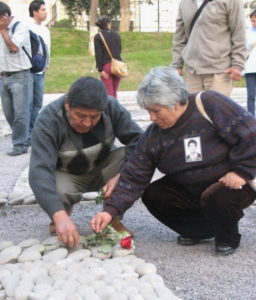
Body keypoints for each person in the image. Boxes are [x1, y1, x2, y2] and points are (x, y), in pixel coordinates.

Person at [91, 66, 256, 256]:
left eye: (156, 111)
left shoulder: (209, 103)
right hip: (191, 187)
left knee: (217, 197)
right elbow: (134, 176)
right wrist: (110, 212)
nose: (151, 118)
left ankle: (228, 236)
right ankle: (201, 231)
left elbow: (250, 134)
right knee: (154, 194)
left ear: (176, 103)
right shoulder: (153, 136)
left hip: (232, 182)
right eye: (148, 111)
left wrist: (242, 172)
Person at [29, 76, 143, 248]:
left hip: (103, 167)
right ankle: (61, 216)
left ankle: (112, 218)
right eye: (80, 115)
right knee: (52, 186)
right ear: (68, 104)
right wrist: (57, 214)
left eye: (94, 117)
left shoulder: (111, 107)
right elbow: (39, 171)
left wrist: (122, 175)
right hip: (67, 173)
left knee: (130, 162)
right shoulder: (48, 120)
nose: (87, 123)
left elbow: (141, 143)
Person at [172, 0, 247, 97]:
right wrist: (176, 66)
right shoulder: (185, 3)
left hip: (220, 72)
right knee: (194, 111)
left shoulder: (231, 1)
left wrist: (238, 65)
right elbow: (179, 37)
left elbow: (239, 34)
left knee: (215, 111)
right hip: (192, 72)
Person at [0, 1, 32, 156]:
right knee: (9, 113)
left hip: (20, 76)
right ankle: (24, 138)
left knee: (20, 113)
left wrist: (3, 30)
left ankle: (20, 144)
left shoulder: (20, 26)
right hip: (4, 76)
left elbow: (13, 48)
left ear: (5, 16)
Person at [28, 0, 51, 136]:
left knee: (37, 102)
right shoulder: (26, 27)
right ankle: (28, 132)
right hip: (29, 70)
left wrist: (47, 64)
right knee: (28, 104)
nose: (45, 12)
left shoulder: (45, 29)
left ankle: (34, 131)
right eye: (43, 10)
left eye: (45, 9)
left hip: (41, 71)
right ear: (34, 11)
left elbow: (48, 49)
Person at [94, 16, 122, 99]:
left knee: (108, 92)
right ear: (108, 24)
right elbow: (119, 50)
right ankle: (115, 110)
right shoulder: (116, 35)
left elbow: (98, 54)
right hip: (118, 65)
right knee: (114, 92)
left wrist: (100, 69)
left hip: (107, 66)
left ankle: (110, 110)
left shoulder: (98, 36)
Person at [244, 9, 256, 116]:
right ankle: (251, 118)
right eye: (252, 21)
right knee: (251, 96)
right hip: (250, 69)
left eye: (255, 21)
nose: (253, 23)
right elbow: (244, 49)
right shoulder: (247, 33)